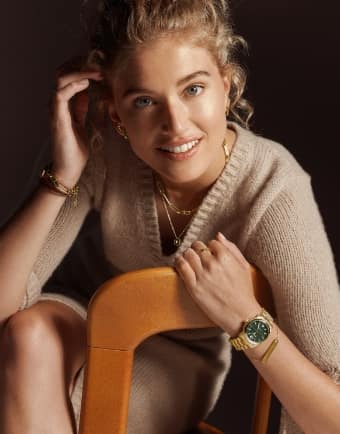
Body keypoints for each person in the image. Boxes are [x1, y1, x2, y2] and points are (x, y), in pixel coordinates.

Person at [0, 1, 339, 433]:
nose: (175, 124)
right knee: (26, 335)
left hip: (170, 360)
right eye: (145, 100)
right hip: (71, 327)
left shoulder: (273, 190)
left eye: (193, 89)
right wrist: (62, 176)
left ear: (227, 84)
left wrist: (246, 319)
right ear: (117, 113)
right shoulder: (103, 146)